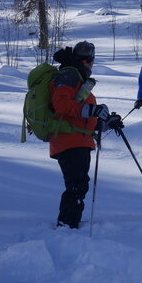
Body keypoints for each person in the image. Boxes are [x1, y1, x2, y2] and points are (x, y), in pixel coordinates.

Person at [50, 41, 119, 229]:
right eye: (89, 60)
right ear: (85, 59)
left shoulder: (77, 77)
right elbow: (62, 106)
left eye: (91, 60)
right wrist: (93, 110)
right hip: (69, 140)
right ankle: (67, 226)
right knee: (76, 185)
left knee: (79, 185)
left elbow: (83, 115)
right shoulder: (69, 74)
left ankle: (70, 224)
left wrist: (106, 121)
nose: (90, 64)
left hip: (77, 139)